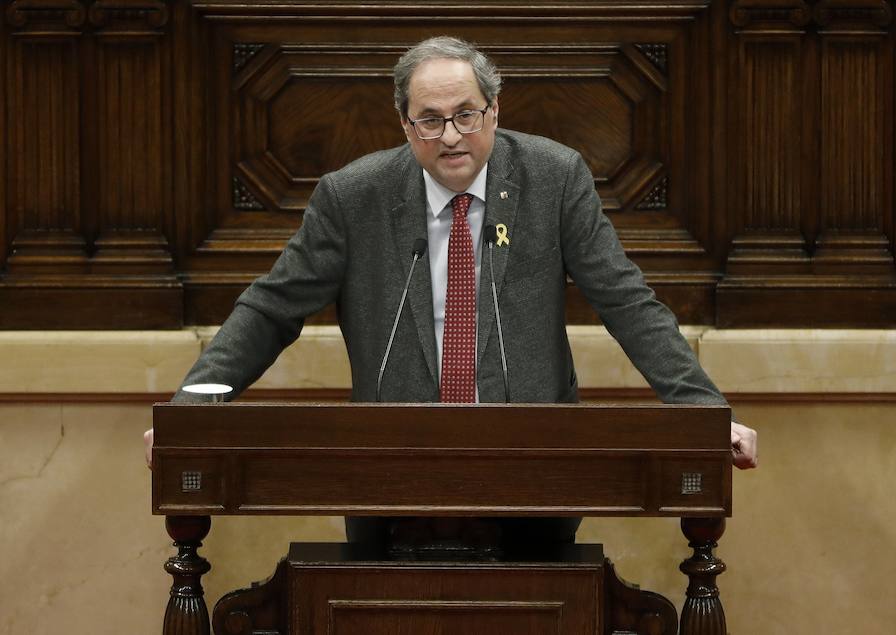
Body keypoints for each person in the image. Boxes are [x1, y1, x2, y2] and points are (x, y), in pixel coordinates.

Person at [144, 36, 757, 544]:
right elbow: (269, 309)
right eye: (430, 120)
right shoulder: (353, 196)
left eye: (466, 115)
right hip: (391, 475)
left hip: (534, 470)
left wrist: (705, 414)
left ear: (494, 111)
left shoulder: (554, 178)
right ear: (404, 122)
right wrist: (189, 414)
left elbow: (626, 301)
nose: (451, 136)